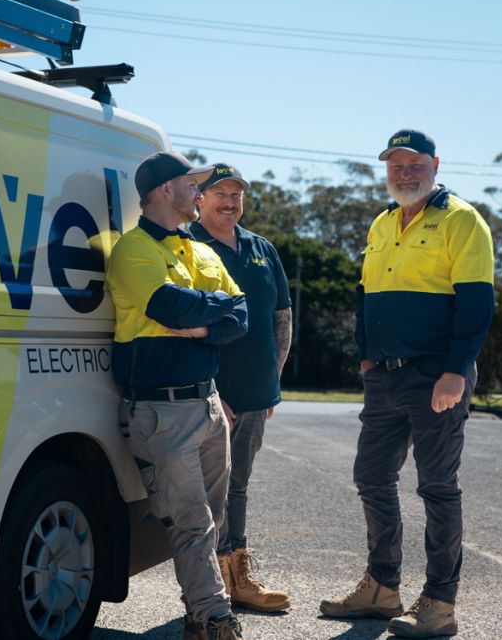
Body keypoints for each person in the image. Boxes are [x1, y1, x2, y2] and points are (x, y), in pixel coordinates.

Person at [319, 129, 495, 638]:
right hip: (386, 377)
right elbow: (366, 295)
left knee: (437, 488)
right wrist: (366, 360)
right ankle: (382, 587)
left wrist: (456, 370)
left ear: (435, 165)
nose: (405, 173)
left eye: (414, 163)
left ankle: (440, 604)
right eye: (396, 165)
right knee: (371, 476)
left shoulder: (461, 220)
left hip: (436, 374)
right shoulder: (382, 222)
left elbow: (477, 303)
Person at [106, 151, 249, 640]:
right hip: (160, 409)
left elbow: (242, 315)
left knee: (213, 519)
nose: (200, 193)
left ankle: (198, 616)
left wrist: (205, 328)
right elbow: (168, 306)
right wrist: (217, 311)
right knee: (192, 524)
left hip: (207, 405)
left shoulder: (202, 250)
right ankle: (213, 619)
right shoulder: (133, 250)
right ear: (167, 189)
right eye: (193, 185)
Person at [189, 164, 292, 613]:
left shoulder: (261, 249)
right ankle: (211, 586)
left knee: (240, 486)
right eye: (220, 194)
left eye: (236, 195)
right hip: (210, 397)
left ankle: (239, 579)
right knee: (209, 494)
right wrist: (212, 392)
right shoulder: (187, 246)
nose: (230, 202)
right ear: (199, 199)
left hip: (255, 395)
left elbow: (281, 318)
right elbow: (180, 324)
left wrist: (273, 379)